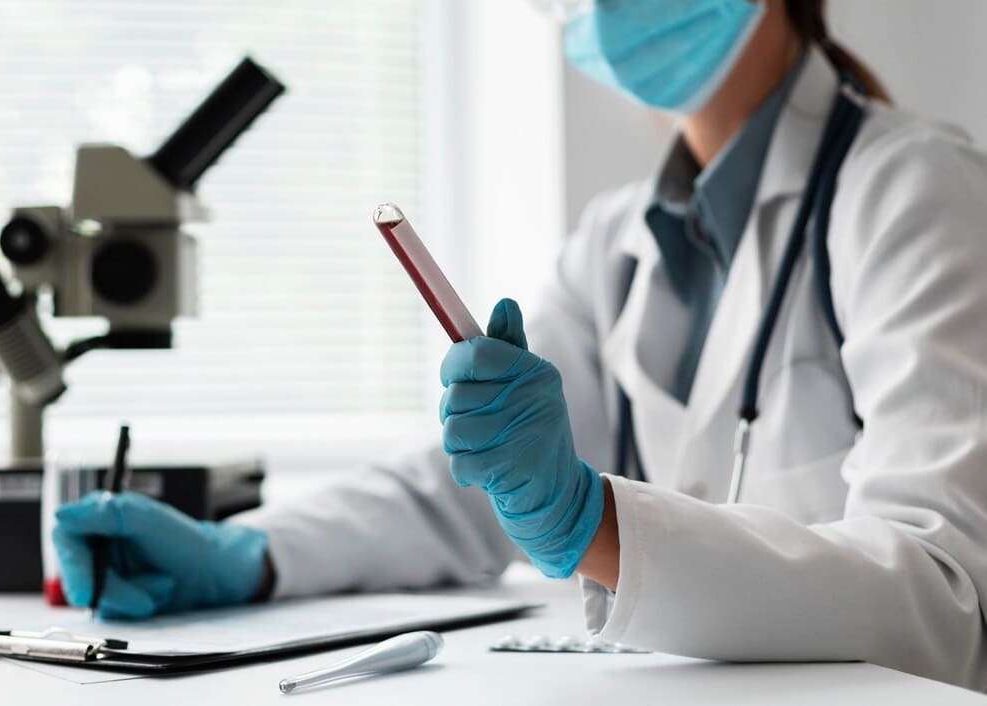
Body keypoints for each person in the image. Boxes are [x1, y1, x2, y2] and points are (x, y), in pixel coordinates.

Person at [52, 0, 987, 690]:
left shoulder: (915, 190)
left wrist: (593, 522)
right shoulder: (615, 242)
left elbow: (946, 598)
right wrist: (250, 553)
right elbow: (459, 494)